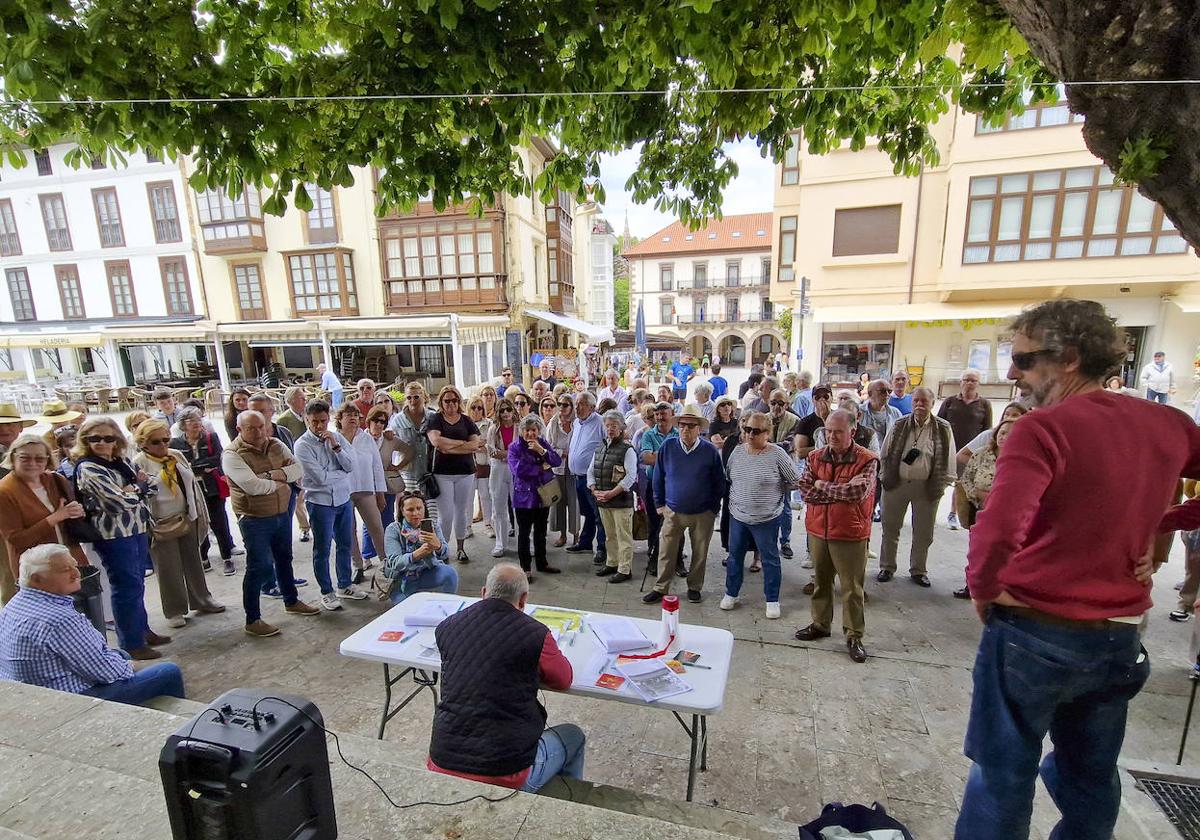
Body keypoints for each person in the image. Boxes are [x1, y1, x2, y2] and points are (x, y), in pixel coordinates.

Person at [955, 300, 1200, 840]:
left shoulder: (1043, 430)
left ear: (1068, 358)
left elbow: (998, 529)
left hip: (1030, 631)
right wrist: (1169, 518)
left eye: (1022, 359)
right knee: (1091, 780)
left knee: (1000, 776)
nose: (1012, 372)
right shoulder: (1168, 424)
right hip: (1117, 639)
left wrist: (983, 588)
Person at [428, 563, 585, 792]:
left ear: (483, 593)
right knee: (573, 736)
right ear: (523, 599)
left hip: (442, 760)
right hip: (505, 772)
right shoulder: (536, 634)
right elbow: (563, 679)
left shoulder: (447, 626)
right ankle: (565, 805)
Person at [0, 544, 185, 705]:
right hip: (69, 701)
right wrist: (130, 666)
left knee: (120, 653)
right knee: (167, 671)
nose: (76, 573)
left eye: (75, 565)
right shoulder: (59, 619)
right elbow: (105, 672)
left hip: (33, 690)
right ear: (37, 579)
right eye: (65, 570)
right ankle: (178, 735)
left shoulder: (15, 604)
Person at [72, 416, 168, 660]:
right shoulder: (88, 467)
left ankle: (143, 630)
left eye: (108, 438)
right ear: (85, 441)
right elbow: (115, 503)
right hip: (113, 535)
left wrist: (135, 489)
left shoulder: (120, 461)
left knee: (137, 583)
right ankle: (131, 642)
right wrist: (138, 488)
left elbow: (153, 485)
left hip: (136, 529)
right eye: (95, 438)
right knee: (125, 586)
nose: (102, 443)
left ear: (117, 440)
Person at [223, 410, 320, 636]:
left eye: (262, 426)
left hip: (280, 514)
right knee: (258, 566)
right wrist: (280, 481)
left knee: (284, 558)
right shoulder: (231, 454)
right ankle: (252, 620)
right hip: (253, 518)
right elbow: (252, 487)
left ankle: (291, 600)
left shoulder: (275, 444)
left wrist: (268, 475)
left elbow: (298, 470)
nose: (259, 432)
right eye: (252, 428)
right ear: (239, 430)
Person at [793, 410, 878, 662]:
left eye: (838, 431)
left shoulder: (868, 459)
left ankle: (854, 635)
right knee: (821, 581)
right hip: (818, 530)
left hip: (851, 533)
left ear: (852, 432)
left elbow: (857, 494)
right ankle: (820, 624)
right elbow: (806, 491)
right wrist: (834, 489)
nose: (831, 436)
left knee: (852, 588)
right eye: (828, 431)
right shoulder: (815, 456)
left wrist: (822, 485)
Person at [133, 421, 223, 629]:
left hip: (187, 514)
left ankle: (202, 599)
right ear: (143, 443)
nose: (163, 445)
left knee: (194, 561)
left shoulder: (176, 455)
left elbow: (191, 483)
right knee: (168, 567)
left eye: (166, 439)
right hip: (161, 521)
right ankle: (174, 609)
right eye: (156, 442)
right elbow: (140, 493)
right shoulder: (139, 462)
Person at [721, 411, 801, 619]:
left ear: (767, 433)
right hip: (738, 515)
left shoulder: (777, 454)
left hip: (767, 518)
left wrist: (776, 492)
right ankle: (731, 593)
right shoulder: (737, 452)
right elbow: (730, 477)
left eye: (755, 431)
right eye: (746, 429)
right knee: (734, 557)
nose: (750, 435)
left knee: (770, 559)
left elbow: (794, 480)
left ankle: (772, 599)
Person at [644, 405, 725, 602]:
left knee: (700, 552)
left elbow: (719, 482)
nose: (685, 430)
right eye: (682, 426)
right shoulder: (668, 447)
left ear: (699, 429)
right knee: (666, 551)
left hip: (702, 512)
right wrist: (659, 504)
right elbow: (658, 477)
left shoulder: (710, 450)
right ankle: (661, 587)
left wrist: (713, 508)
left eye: (690, 426)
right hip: (672, 510)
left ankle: (694, 587)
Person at [877, 387, 954, 587]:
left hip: (927, 486)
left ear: (932, 403)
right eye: (916, 401)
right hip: (897, 484)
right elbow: (884, 453)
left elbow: (949, 458)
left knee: (923, 532)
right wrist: (885, 477)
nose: (919, 405)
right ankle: (887, 567)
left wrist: (943, 483)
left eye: (924, 402)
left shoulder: (943, 427)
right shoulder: (899, 424)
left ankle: (918, 570)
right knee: (890, 528)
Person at [296, 399, 367, 610]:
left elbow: (352, 465)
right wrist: (340, 474)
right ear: (306, 419)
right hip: (320, 502)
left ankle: (344, 585)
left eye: (323, 421)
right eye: (315, 421)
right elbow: (319, 479)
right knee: (323, 549)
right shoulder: (302, 445)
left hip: (343, 499)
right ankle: (326, 591)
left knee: (346, 544)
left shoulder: (336, 438)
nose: (319, 426)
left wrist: (336, 447)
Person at [0, 435, 88, 596]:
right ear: (13, 457)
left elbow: (72, 517)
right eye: (25, 458)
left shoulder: (56, 480)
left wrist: (76, 512)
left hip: (70, 559)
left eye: (39, 458)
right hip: (40, 572)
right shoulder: (5, 491)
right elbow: (16, 539)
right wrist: (56, 516)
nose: (33, 463)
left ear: (48, 460)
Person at [951, 419, 1017, 600]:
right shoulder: (981, 454)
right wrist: (977, 495)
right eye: (1002, 433)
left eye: (1011, 434)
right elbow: (967, 478)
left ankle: (1001, 589)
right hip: (979, 509)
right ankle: (972, 585)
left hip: (1009, 515)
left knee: (1003, 553)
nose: (1005, 437)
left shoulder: (1022, 460)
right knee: (977, 550)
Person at [170, 407, 238, 575]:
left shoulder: (211, 437)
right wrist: (199, 466)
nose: (197, 424)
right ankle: (204, 557)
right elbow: (179, 465)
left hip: (212, 487)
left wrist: (194, 466)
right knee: (198, 522)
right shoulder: (176, 443)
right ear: (183, 425)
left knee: (219, 521)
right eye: (192, 421)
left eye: (199, 420)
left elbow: (217, 458)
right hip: (191, 489)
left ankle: (226, 557)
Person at [427, 386, 483, 564]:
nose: (451, 404)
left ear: (459, 402)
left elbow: (475, 445)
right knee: (446, 515)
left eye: (454, 400)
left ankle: (460, 548)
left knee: (461, 512)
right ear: (441, 402)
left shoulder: (466, 421)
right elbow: (436, 441)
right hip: (442, 473)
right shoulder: (435, 420)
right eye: (447, 401)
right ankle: (443, 550)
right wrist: (462, 443)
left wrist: (449, 447)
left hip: (465, 472)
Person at [335, 404, 388, 584]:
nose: (353, 418)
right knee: (349, 531)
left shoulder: (366, 438)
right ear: (340, 418)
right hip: (344, 491)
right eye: (348, 415)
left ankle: (386, 563)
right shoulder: (334, 439)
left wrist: (380, 493)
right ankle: (357, 566)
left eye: (356, 415)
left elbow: (377, 467)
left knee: (376, 527)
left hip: (366, 489)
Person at [937, 369, 993, 530]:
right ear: (961, 382)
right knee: (941, 482)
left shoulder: (984, 404)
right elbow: (939, 424)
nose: (969, 383)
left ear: (978, 384)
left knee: (961, 484)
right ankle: (930, 512)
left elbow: (987, 429)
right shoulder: (950, 402)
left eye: (973, 380)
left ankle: (953, 514)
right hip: (948, 449)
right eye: (966, 380)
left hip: (970, 452)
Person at [509, 414, 563, 580]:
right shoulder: (514, 447)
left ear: (538, 431)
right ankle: (525, 568)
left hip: (542, 497)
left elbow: (556, 461)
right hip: (524, 498)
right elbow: (519, 470)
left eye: (533, 430)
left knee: (541, 532)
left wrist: (542, 451)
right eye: (527, 430)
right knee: (524, 534)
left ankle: (542, 563)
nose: (530, 434)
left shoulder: (543, 443)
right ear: (521, 431)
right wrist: (541, 467)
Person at [381, 491, 458, 603]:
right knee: (407, 611)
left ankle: (447, 605)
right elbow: (394, 563)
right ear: (402, 511)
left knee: (450, 573)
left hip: (424, 572)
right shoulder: (393, 529)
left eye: (419, 508)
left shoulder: (433, 526)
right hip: (401, 578)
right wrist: (416, 555)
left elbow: (445, 554)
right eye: (410, 510)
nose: (416, 513)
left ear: (424, 508)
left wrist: (439, 546)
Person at [589, 411, 637, 582]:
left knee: (623, 536)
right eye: (608, 426)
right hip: (603, 500)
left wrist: (611, 493)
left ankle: (625, 569)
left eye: (614, 426)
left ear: (621, 427)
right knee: (610, 535)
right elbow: (591, 472)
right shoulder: (599, 448)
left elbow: (630, 477)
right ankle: (612, 562)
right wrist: (595, 490)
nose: (610, 429)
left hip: (621, 502)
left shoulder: (627, 449)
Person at [566, 392, 607, 564]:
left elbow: (608, 445)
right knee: (588, 513)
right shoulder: (576, 422)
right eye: (576, 403)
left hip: (593, 478)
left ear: (591, 407)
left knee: (599, 515)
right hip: (577, 476)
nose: (577, 407)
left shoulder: (600, 422)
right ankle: (585, 543)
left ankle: (602, 549)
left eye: (581, 404)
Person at [639, 402, 678, 577]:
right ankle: (653, 560)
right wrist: (670, 454)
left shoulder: (679, 433)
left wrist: (658, 455)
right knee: (654, 524)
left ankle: (677, 562)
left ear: (672, 414)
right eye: (657, 415)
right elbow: (647, 458)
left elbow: (683, 458)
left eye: (664, 414)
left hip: (675, 485)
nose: (660, 418)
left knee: (676, 525)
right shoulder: (648, 434)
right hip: (653, 485)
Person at [389, 383, 437, 513]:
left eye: (416, 397)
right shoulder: (397, 420)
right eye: (409, 397)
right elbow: (391, 443)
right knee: (411, 511)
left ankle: (430, 533)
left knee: (431, 512)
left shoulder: (432, 417)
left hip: (429, 471)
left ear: (424, 397)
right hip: (408, 472)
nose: (412, 401)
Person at [366, 405, 404, 550]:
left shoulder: (389, 439)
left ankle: (389, 551)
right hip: (367, 486)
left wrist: (397, 466)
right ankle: (368, 554)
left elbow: (409, 451)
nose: (379, 424)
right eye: (376, 421)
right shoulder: (361, 438)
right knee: (369, 521)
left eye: (382, 422)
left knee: (387, 518)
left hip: (387, 485)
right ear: (369, 421)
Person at [546, 394, 579, 549]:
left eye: (565, 404)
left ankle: (576, 535)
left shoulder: (578, 423)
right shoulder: (553, 423)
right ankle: (562, 535)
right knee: (559, 503)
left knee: (574, 503)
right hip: (558, 467)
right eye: (559, 404)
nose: (562, 407)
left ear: (571, 407)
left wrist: (572, 453)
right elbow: (548, 446)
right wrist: (562, 453)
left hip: (573, 468)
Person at [486, 399, 517, 558]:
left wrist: (505, 455)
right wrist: (512, 454)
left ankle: (526, 542)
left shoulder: (520, 427)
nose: (505, 413)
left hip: (517, 469)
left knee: (520, 506)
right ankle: (500, 543)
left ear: (513, 411)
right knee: (498, 506)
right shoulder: (493, 429)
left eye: (508, 409)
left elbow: (523, 450)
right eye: (502, 410)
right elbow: (492, 451)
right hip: (498, 470)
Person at [467, 398, 495, 537]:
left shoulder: (489, 424)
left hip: (484, 465)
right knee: (468, 498)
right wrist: (477, 445)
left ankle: (488, 524)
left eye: (479, 407)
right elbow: (462, 445)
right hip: (468, 466)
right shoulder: (464, 423)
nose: (476, 410)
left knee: (485, 496)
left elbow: (490, 446)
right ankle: (467, 526)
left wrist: (475, 446)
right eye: (473, 407)